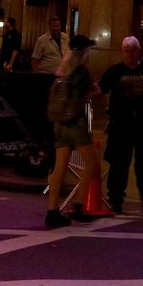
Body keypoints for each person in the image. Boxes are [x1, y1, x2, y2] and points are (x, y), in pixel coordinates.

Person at [99, 36, 143, 215]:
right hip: (121, 125)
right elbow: (101, 89)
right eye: (126, 50)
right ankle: (116, 198)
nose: (129, 54)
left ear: (138, 51)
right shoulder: (115, 71)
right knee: (119, 162)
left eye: (132, 50)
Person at [45, 34, 101, 228]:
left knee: (59, 167)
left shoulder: (62, 68)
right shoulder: (81, 71)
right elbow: (95, 91)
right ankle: (78, 205)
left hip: (59, 123)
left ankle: (52, 211)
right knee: (92, 163)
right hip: (76, 124)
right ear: (84, 51)